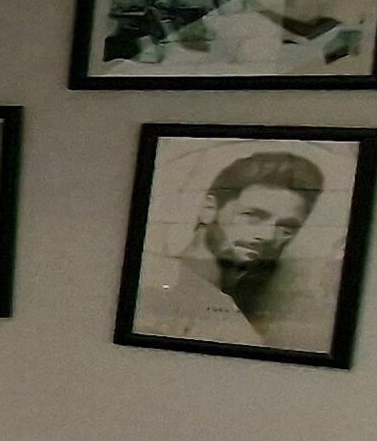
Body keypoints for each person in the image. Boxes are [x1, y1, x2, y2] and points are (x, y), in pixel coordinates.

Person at [130, 149, 333, 349]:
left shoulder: (235, 321)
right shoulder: (147, 281)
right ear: (209, 209)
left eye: (286, 228)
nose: (268, 236)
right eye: (253, 215)